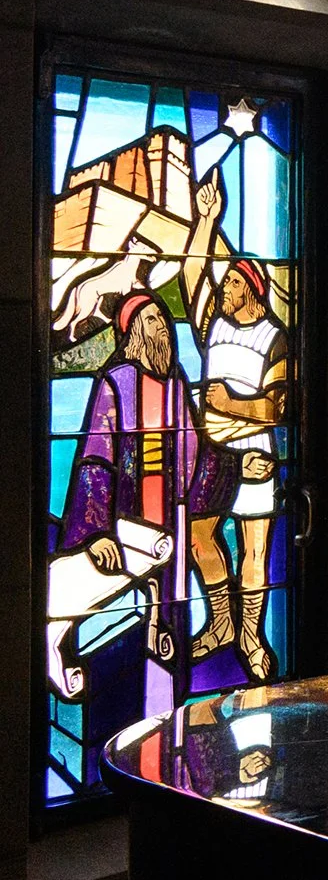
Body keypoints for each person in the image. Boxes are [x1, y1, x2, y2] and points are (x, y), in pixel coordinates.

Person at [48, 293, 199, 712]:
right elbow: (96, 458)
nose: (162, 328)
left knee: (168, 611)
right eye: (151, 320)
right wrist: (95, 532)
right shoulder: (116, 382)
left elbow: (194, 453)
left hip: (172, 514)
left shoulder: (177, 385)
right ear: (132, 333)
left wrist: (231, 472)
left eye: (164, 320)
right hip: (127, 519)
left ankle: (170, 716)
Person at [183, 196, 290, 681]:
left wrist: (226, 402)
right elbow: (190, 277)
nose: (222, 288)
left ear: (251, 290)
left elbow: (277, 406)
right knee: (199, 536)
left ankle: (250, 634)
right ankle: (221, 621)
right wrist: (205, 221)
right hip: (213, 453)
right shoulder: (215, 325)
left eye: (230, 283)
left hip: (255, 452)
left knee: (254, 549)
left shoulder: (275, 337)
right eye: (223, 282)